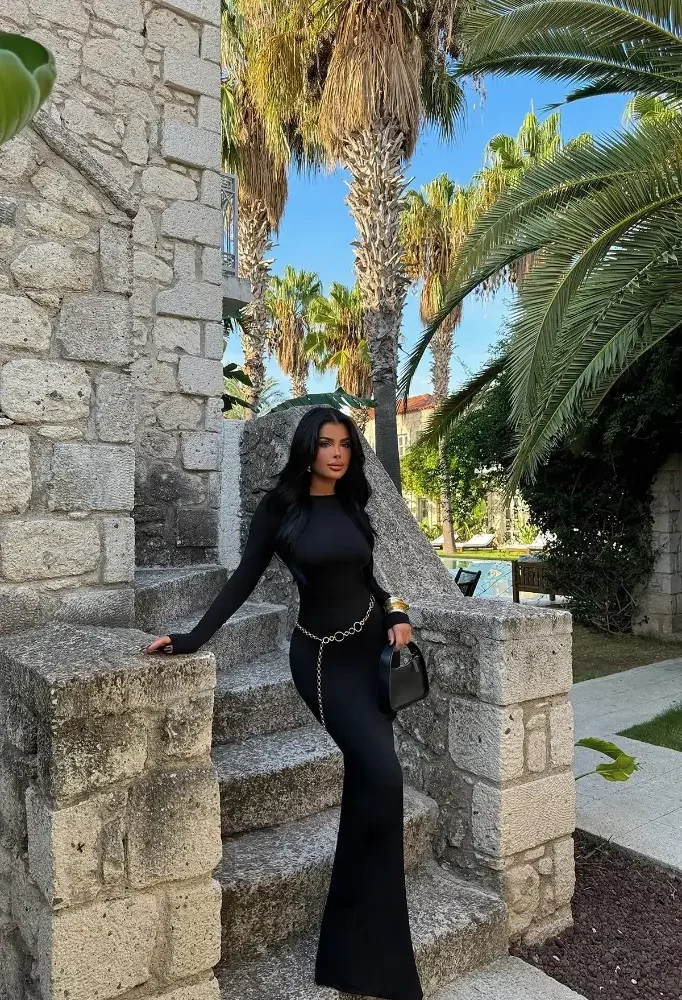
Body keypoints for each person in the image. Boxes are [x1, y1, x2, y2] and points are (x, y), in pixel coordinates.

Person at [144, 406, 423, 1000]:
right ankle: (364, 948)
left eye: (345, 444)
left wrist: (397, 613)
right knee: (384, 777)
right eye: (326, 444)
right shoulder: (280, 508)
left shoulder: (353, 504)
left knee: (372, 786)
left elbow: (372, 580)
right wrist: (194, 637)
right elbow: (243, 578)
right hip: (321, 661)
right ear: (307, 449)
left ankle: (359, 951)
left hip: (370, 652)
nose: (337, 454)